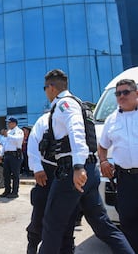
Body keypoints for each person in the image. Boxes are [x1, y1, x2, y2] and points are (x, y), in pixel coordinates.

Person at [39, 69, 133, 254]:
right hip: (88, 171)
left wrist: (78, 167)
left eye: (45, 88)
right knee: (103, 226)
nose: (46, 92)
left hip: (72, 172)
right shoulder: (80, 104)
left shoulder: (65, 104)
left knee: (51, 225)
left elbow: (76, 131)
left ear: (51, 87)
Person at [98, 78, 138, 253]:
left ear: (136, 93)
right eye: (118, 93)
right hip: (125, 178)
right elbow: (102, 145)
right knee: (127, 219)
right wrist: (104, 161)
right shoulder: (111, 120)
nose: (121, 96)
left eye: (125, 92)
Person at [26, 112, 75, 254]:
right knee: (40, 212)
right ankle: (33, 245)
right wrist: (37, 168)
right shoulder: (46, 119)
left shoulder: (75, 117)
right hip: (48, 170)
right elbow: (33, 141)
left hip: (70, 170)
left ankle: (66, 248)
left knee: (68, 214)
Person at [0, 117, 24, 198]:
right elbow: (5, 144)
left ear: (14, 123)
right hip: (7, 154)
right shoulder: (9, 132)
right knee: (6, 174)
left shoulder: (19, 131)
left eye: (9, 123)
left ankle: (15, 192)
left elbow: (18, 140)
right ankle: (7, 190)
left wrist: (8, 136)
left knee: (15, 174)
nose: (8, 124)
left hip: (15, 154)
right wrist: (1, 154)